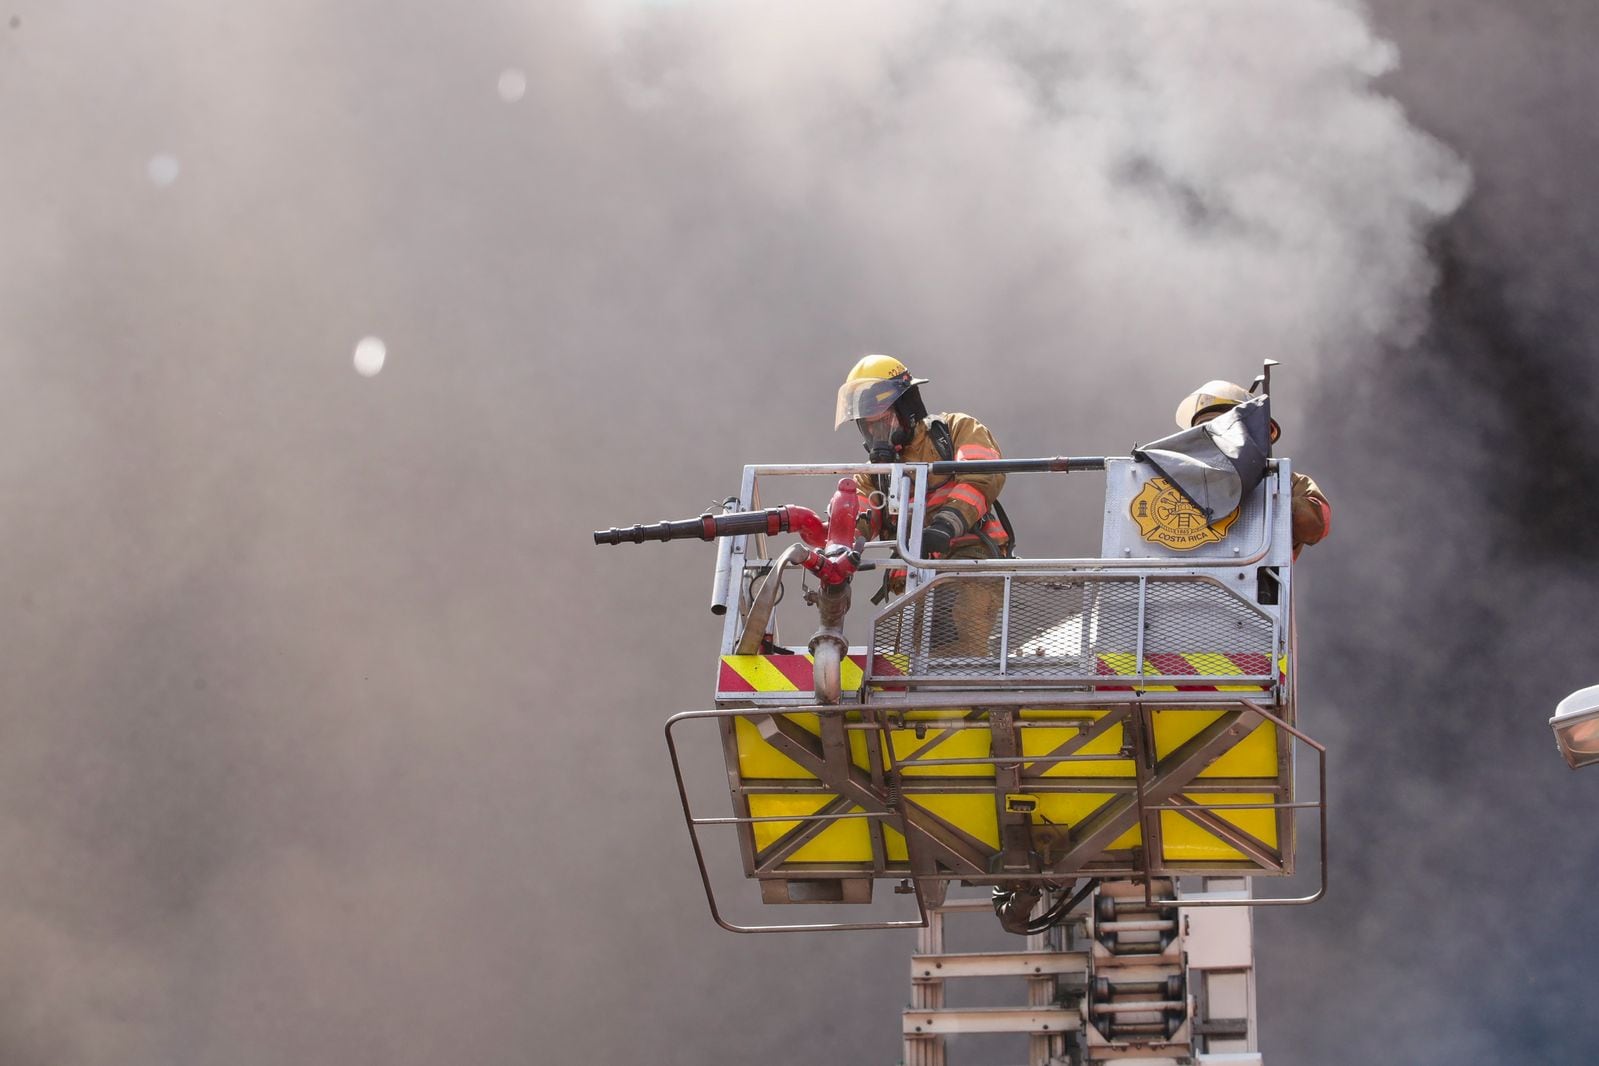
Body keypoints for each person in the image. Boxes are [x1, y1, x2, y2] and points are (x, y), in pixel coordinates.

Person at [834, 354, 1011, 656]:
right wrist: (837, 543)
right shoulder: (874, 474)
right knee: (912, 661)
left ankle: (965, 700)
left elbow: (983, 475)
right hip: (911, 578)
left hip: (969, 561)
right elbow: (860, 514)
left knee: (953, 653)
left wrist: (946, 524)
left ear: (908, 408)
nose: (878, 435)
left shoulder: (954, 430)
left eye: (884, 422)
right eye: (869, 427)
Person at [1175, 380, 1331, 558]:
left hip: (1255, 580)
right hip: (1185, 580)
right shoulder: (1174, 479)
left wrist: (1271, 499)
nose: (1211, 436)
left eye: (1218, 426)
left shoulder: (1284, 482)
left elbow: (1316, 524)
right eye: (1203, 428)